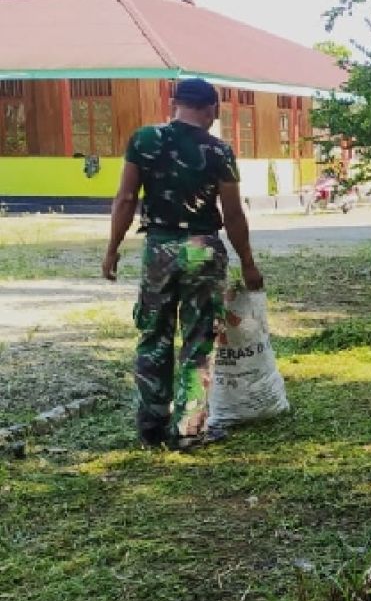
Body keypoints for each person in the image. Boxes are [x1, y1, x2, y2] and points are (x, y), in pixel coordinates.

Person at [102, 78, 262, 451]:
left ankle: (151, 428)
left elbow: (125, 199)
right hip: (203, 251)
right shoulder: (219, 150)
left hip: (159, 249)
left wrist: (112, 250)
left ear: (175, 104)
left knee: (153, 336)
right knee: (198, 341)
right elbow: (234, 214)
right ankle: (188, 432)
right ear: (212, 110)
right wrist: (249, 264)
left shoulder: (143, 140)